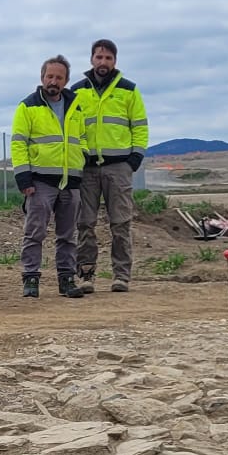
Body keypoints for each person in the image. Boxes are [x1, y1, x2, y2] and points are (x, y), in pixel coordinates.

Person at [11, 55, 93, 299]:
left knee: (68, 235)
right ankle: (30, 279)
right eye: (49, 76)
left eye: (59, 77)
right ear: (42, 77)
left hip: (71, 181)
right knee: (34, 232)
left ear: (66, 80)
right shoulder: (27, 107)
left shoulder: (75, 107)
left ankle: (66, 279)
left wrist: (84, 155)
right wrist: (24, 179)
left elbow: (82, 136)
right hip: (40, 182)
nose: (53, 81)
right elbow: (18, 144)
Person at [71, 37, 149, 293]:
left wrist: (134, 158)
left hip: (119, 168)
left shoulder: (128, 90)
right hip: (87, 169)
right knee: (85, 223)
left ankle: (121, 276)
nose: (103, 62)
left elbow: (139, 126)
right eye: (99, 57)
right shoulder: (78, 90)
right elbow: (73, 126)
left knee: (120, 223)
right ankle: (86, 275)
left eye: (108, 58)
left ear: (115, 61)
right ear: (91, 59)